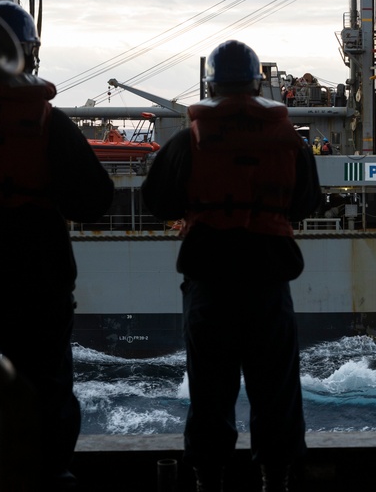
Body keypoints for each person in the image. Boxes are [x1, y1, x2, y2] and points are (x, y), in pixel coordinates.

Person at [141, 39, 321, 492]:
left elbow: (157, 201)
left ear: (211, 85)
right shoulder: (288, 141)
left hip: (210, 282)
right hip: (267, 282)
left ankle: (208, 479)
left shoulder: (189, 140)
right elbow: (305, 203)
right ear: (259, 83)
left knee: (209, 393)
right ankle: (276, 479)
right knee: (276, 392)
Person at [0, 0, 114, 490]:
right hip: (37, 277)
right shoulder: (49, 124)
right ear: (30, 54)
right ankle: (51, 473)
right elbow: (95, 200)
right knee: (47, 383)